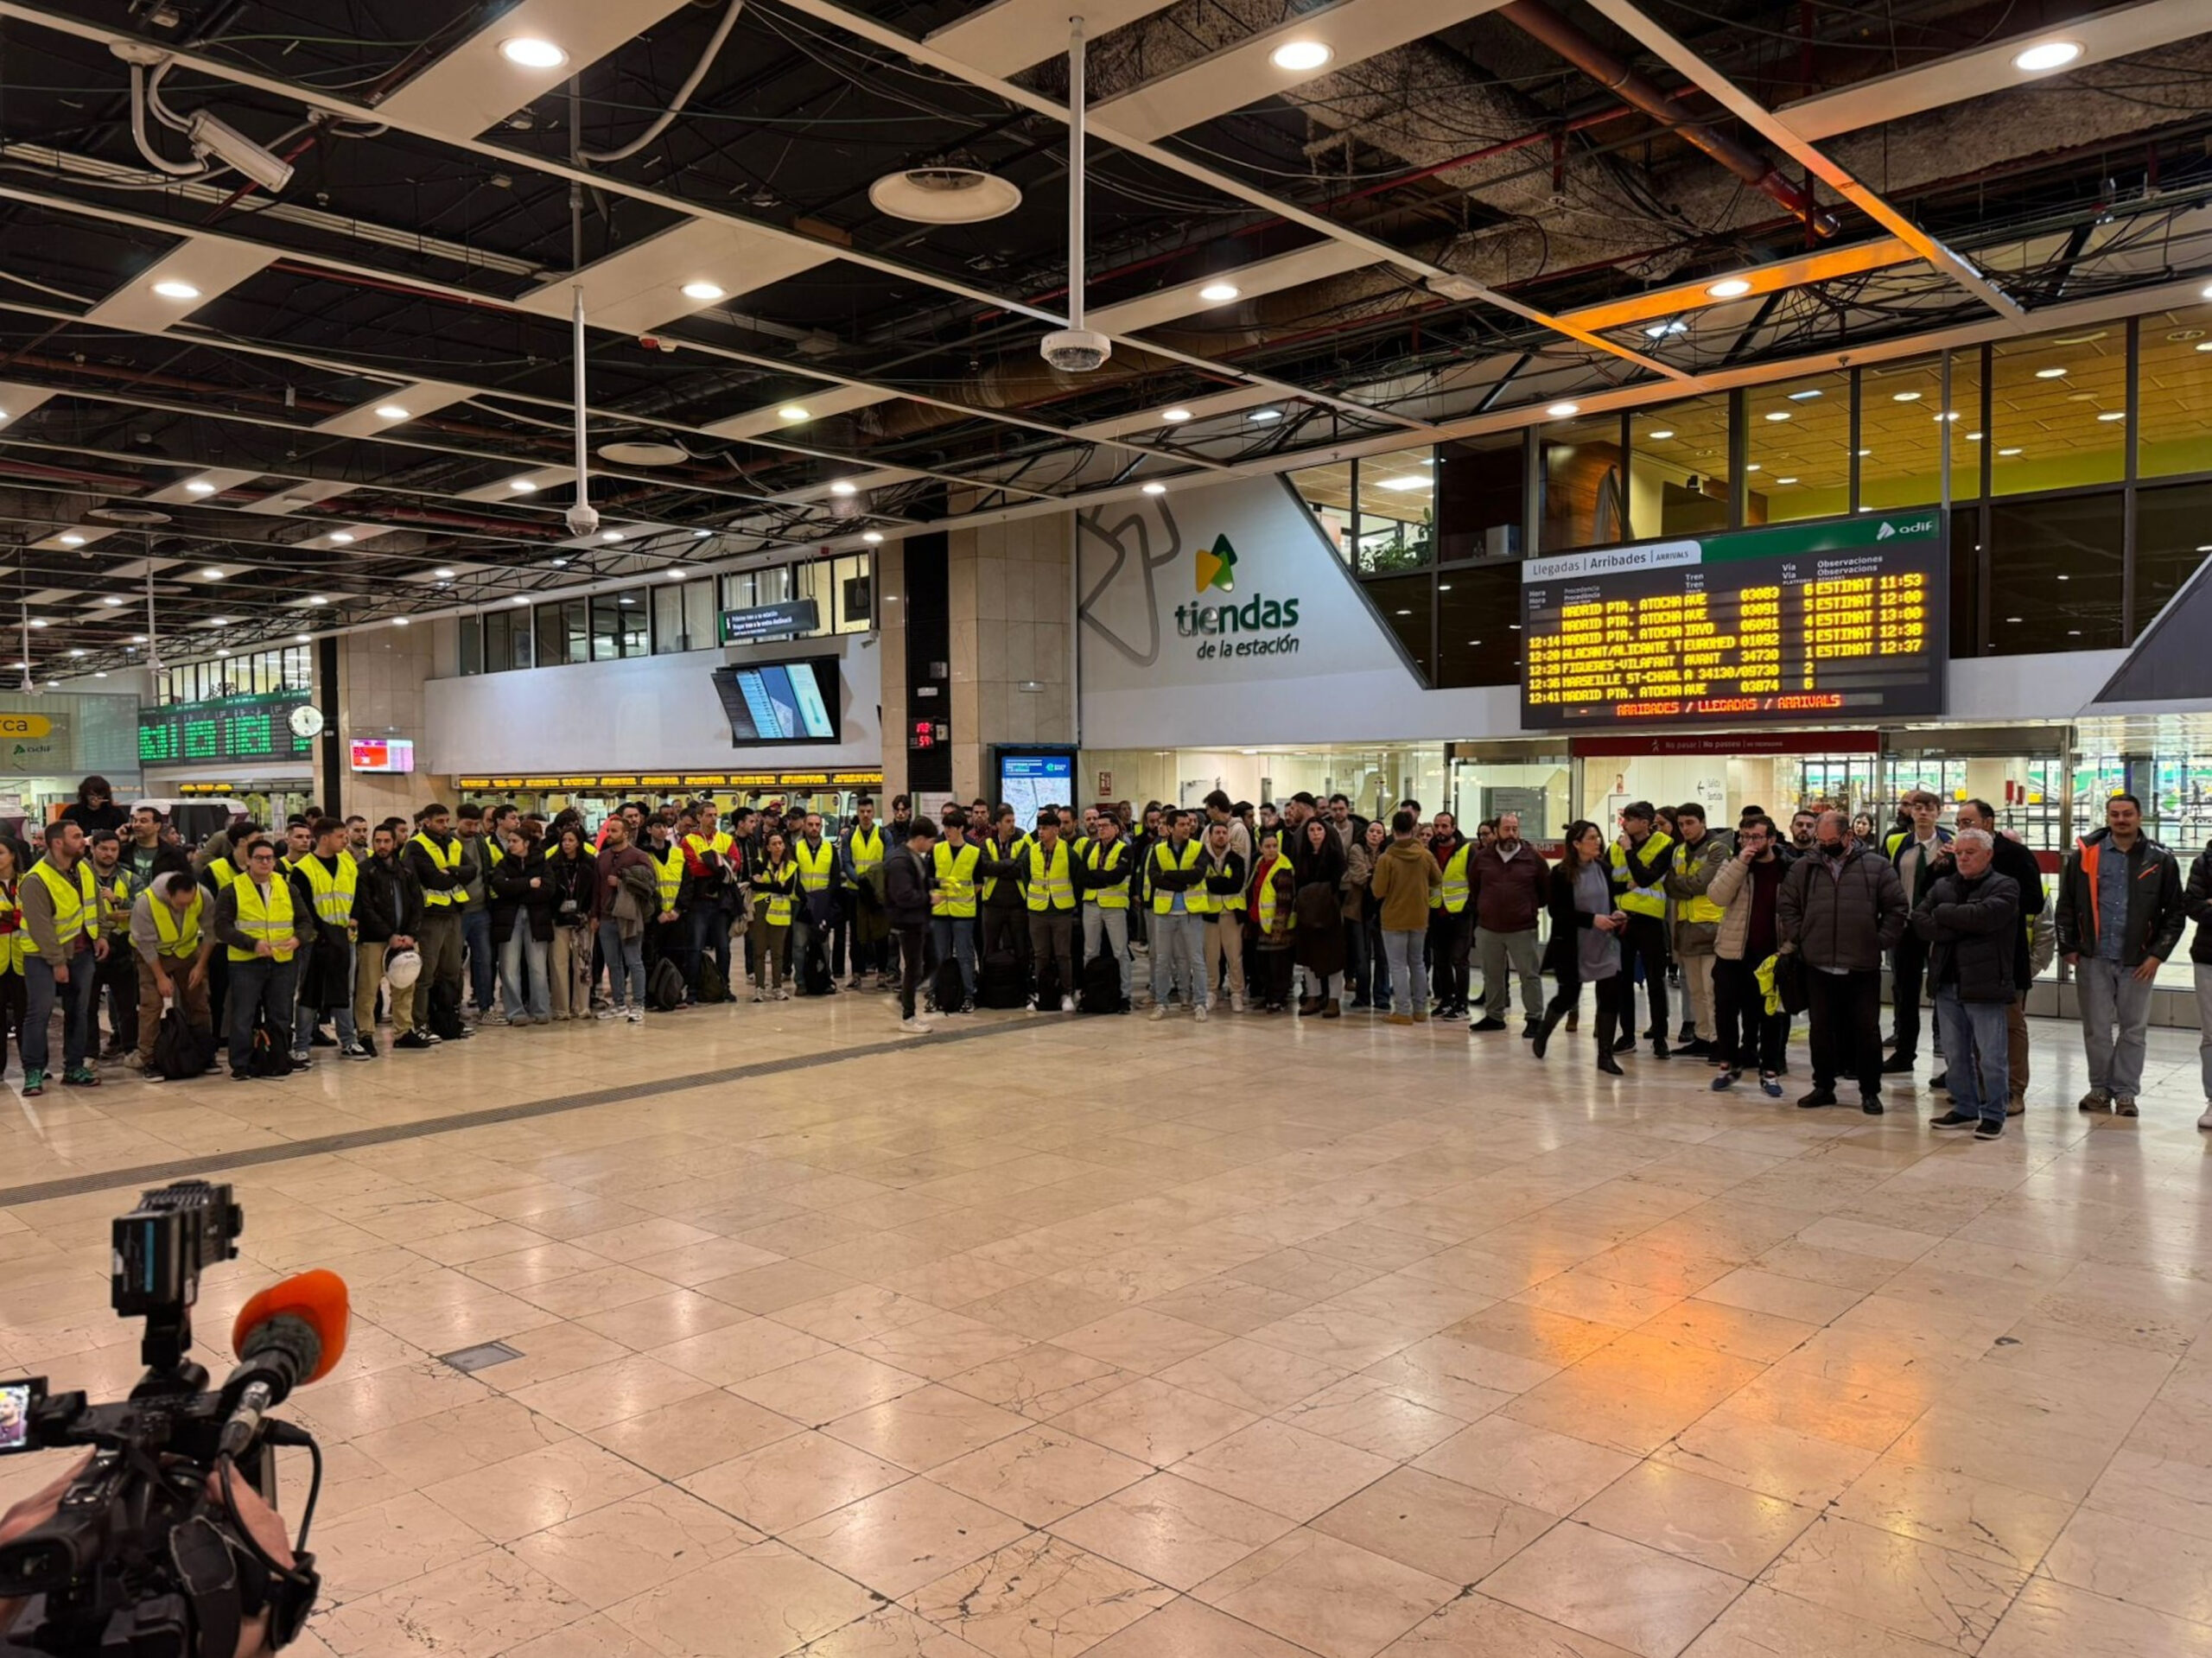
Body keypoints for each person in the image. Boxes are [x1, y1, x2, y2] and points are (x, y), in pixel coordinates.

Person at [2057, 792, 2183, 1117]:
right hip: (2093, 957)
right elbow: (2067, 903)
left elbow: (2175, 914)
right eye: (2115, 814)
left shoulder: (2160, 860)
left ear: (2139, 817)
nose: (2121, 820)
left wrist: (2157, 955)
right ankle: (2099, 1089)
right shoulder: (2086, 855)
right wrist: (2068, 946)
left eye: (2127, 814)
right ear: (2108, 817)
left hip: (2138, 961)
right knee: (2096, 1028)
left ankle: (2126, 1093)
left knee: (2133, 1030)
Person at [1778, 810, 1908, 1115]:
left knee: (1866, 1031)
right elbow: (1787, 905)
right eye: (1821, 842)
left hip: (1861, 965)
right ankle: (1823, 1086)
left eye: (1831, 841)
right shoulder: (1804, 867)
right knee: (1821, 1030)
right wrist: (1802, 936)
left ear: (1848, 835)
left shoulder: (1876, 866)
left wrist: (1878, 940)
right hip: (1817, 963)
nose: (1825, 846)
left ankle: (1870, 1091)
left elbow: (1897, 908)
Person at [1915, 829, 2020, 1140]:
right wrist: (1961, 925)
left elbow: (1985, 917)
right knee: (1954, 1053)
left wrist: (1944, 915)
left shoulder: (2005, 885)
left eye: (1970, 853)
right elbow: (1920, 920)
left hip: (1985, 983)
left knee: (1991, 1055)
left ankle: (1994, 1114)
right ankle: (1965, 1107)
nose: (1962, 858)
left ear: (1988, 855)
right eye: (1958, 853)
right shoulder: (1943, 885)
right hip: (1947, 982)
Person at [1954, 798, 2044, 1114]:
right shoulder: (1956, 855)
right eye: (1958, 824)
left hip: (2006, 953)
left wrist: (1993, 907)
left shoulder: (2015, 855)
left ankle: (2013, 1089)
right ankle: (1982, 1086)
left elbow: (2034, 901)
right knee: (1971, 1025)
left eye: (1968, 822)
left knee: (2010, 1024)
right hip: (1966, 955)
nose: (1962, 829)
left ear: (1988, 823)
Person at [1531, 820, 1629, 1074]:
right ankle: (1543, 1032)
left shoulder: (1604, 869)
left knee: (1610, 996)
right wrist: (1592, 920)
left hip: (1604, 943)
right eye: (1591, 838)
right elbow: (1557, 912)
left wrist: (1615, 913)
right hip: (1573, 946)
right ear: (1576, 844)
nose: (1598, 842)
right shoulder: (1560, 874)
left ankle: (1605, 1056)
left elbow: (1608, 901)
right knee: (1568, 997)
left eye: (1598, 837)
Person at [19, 819, 105, 1096]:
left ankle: (74, 1067)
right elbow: (40, 927)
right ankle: (33, 1070)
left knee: (79, 1011)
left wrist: (101, 933)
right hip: (42, 956)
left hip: (82, 952)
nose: (84, 841)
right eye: (77, 837)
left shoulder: (84, 867)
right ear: (58, 843)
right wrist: (57, 962)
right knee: (39, 1013)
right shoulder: (36, 879)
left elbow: (96, 902)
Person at [1706, 816, 1790, 1098]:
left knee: (1769, 1017)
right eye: (1744, 837)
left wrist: (1788, 949)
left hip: (1770, 955)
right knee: (1725, 1012)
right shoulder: (1733, 864)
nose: (1749, 843)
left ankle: (1769, 1071)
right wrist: (1740, 864)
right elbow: (1717, 896)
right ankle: (1728, 1065)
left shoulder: (1787, 869)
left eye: (1755, 837)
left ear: (1771, 839)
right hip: (1732, 953)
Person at [212, 839, 301, 1080]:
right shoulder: (232, 890)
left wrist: (298, 939)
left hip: (282, 960)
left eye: (269, 858)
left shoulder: (287, 887)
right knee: (244, 1014)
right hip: (245, 962)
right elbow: (221, 927)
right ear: (248, 860)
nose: (265, 863)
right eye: (259, 858)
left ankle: (279, 1056)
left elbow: (305, 921)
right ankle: (241, 1063)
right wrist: (252, 944)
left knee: (281, 1013)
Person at [1882, 790, 1955, 1077]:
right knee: (1905, 990)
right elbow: (1886, 880)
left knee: (1943, 989)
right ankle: (1904, 1050)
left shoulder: (1951, 843)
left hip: (1939, 925)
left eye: (1929, 808)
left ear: (1939, 812)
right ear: (1910, 812)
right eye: (1918, 808)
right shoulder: (1896, 842)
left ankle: (1945, 1047)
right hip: (1906, 925)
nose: (1923, 813)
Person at [289, 817, 365, 1064]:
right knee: (309, 992)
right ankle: (301, 1045)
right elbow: (303, 908)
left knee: (345, 990)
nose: (345, 840)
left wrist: (354, 918)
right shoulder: (303, 869)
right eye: (340, 836)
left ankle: (349, 1040)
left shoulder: (348, 863)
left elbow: (358, 895)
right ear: (324, 839)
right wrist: (324, 930)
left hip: (345, 937)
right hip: (315, 940)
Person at [1467, 810, 1548, 1036]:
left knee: (1529, 975)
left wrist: (1528, 908)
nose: (1511, 834)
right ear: (1496, 831)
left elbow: (1545, 890)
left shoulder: (1532, 857)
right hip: (1489, 928)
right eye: (1507, 829)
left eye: (1515, 829)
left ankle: (1534, 1018)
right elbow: (1475, 887)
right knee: (1492, 975)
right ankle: (1494, 1016)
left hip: (1522, 928)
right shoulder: (1482, 858)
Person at [129, 870, 214, 1077]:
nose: (186, 908)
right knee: (152, 1004)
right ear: (169, 895)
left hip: (187, 951)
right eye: (181, 904)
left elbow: (211, 932)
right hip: (153, 955)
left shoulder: (202, 895)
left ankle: (204, 1053)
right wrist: (160, 977)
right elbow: (145, 944)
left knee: (199, 1000)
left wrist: (200, 966)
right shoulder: (146, 903)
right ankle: (149, 1058)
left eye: (189, 903)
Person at [1661, 803, 1729, 1058]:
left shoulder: (1718, 848)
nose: (1685, 828)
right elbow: (1669, 886)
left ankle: (1718, 1040)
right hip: (1687, 928)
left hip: (1712, 928)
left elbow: (1703, 884)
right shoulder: (1678, 851)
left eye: (1690, 823)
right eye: (1681, 824)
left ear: (1703, 822)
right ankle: (1702, 1036)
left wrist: (1683, 885)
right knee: (1696, 990)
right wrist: (1685, 885)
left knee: (1713, 991)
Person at [404, 804, 476, 1040]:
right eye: (439, 821)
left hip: (454, 912)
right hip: (431, 915)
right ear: (426, 822)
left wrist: (451, 871)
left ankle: (448, 1021)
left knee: (452, 971)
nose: (445, 825)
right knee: (427, 973)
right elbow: (432, 879)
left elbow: (472, 870)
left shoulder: (453, 843)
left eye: (446, 820)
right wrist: (455, 875)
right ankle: (420, 1022)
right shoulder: (416, 845)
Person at [1608, 802, 1675, 1058]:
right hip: (1622, 920)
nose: (1624, 823)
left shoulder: (1663, 844)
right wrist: (1626, 886)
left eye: (1630, 819)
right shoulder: (1614, 847)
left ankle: (1660, 1038)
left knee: (1655, 981)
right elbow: (1608, 883)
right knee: (1622, 981)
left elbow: (1647, 878)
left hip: (1650, 921)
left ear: (1645, 823)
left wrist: (1629, 852)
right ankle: (1627, 1036)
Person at [1369, 810, 1440, 1026]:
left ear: (1392, 830)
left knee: (1398, 965)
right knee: (1418, 963)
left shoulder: (1387, 858)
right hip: (1419, 916)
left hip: (1394, 918)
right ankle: (1420, 1010)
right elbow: (1437, 878)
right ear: (1414, 829)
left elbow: (1378, 890)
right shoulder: (1425, 855)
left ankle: (1403, 1011)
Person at [357, 822, 423, 1051]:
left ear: (395, 843)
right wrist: (388, 934)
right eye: (378, 841)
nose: (382, 846)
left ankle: (404, 1031)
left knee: (405, 987)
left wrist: (411, 934)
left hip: (405, 939)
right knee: (368, 989)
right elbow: (366, 908)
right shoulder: (364, 870)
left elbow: (417, 903)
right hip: (374, 939)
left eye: (386, 841)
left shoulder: (406, 870)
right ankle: (365, 1033)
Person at [592, 811, 658, 1023]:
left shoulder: (639, 856)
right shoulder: (602, 857)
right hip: (606, 917)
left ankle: (638, 1003)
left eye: (614, 831)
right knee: (613, 963)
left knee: (633, 960)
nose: (610, 834)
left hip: (629, 916)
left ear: (626, 833)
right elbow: (596, 889)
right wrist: (594, 915)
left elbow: (650, 885)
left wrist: (623, 882)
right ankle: (618, 1003)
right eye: (608, 830)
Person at [1146, 809, 1210, 1021]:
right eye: (1182, 824)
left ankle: (1199, 1003)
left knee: (1197, 960)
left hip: (1191, 911)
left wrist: (1170, 875)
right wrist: (1180, 883)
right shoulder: (1158, 850)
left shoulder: (1198, 847)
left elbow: (1197, 875)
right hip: (1165, 912)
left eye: (1188, 824)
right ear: (1171, 828)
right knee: (1162, 960)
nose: (1187, 828)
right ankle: (1161, 1002)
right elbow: (1154, 878)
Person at [490, 826, 553, 1026]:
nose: (510, 845)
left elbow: (548, 890)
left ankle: (541, 1009)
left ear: (526, 843)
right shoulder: (503, 863)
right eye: (509, 841)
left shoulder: (542, 863)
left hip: (537, 918)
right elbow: (499, 886)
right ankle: (515, 1011)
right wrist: (527, 884)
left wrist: (515, 888)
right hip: (509, 918)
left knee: (538, 967)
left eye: (514, 841)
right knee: (509, 967)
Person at [86, 830, 137, 1062]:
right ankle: (89, 1054)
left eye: (114, 849)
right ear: (93, 849)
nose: (109, 854)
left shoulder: (129, 877)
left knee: (127, 1005)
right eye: (104, 849)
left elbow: (143, 905)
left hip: (122, 946)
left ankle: (131, 1049)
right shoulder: (80, 875)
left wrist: (119, 900)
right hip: (90, 945)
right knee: (88, 1006)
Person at [1293, 815, 1348, 1017]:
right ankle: (1313, 996)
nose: (1315, 834)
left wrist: (1319, 893)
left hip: (1329, 911)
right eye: (1311, 830)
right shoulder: (1302, 856)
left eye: (1319, 830)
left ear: (1326, 832)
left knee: (1333, 957)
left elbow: (1337, 883)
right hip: (1307, 912)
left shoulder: (1334, 855)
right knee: (1309, 957)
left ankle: (1333, 999)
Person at [1076, 810, 1132, 1005]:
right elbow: (1082, 876)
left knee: (1120, 951)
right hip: (1091, 904)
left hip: (1114, 905)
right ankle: (1089, 992)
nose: (1101, 829)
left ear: (1115, 828)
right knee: (1090, 951)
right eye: (1099, 826)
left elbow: (1117, 876)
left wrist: (1097, 875)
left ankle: (1124, 994)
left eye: (1105, 826)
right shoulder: (1091, 847)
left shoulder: (1124, 849)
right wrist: (1103, 877)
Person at [926, 810, 981, 1012]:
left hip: (963, 912)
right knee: (938, 955)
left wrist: (961, 893)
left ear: (960, 829)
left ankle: (968, 995)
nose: (947, 831)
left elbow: (978, 883)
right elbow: (929, 878)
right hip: (940, 911)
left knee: (965, 955)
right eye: (945, 827)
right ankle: (934, 994)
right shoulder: (937, 850)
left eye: (950, 827)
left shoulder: (973, 852)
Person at [540, 824, 594, 1022]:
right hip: (558, 917)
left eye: (571, 840)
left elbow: (595, 891)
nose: (567, 844)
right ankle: (561, 1008)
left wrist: (593, 914)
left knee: (583, 963)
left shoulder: (590, 863)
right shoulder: (552, 863)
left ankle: (582, 1006)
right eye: (564, 840)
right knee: (558, 963)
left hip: (583, 918)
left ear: (579, 842)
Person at [680, 807, 736, 998]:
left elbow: (735, 865)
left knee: (723, 947)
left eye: (715, 815)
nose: (713, 818)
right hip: (698, 901)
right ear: (699, 817)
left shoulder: (726, 839)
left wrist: (706, 860)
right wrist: (719, 862)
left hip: (721, 901)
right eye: (708, 815)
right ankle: (693, 990)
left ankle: (724, 987)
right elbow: (692, 868)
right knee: (695, 947)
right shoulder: (689, 840)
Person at [1194, 818, 1248, 1014]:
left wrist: (1214, 882)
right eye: (1217, 833)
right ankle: (1211, 991)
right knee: (1211, 956)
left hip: (1232, 914)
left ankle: (1236, 993)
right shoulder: (1202, 858)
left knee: (1235, 957)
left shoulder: (1236, 859)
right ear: (1210, 836)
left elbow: (1235, 885)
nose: (1221, 836)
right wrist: (1220, 881)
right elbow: (1201, 882)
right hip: (1210, 914)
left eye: (1224, 833)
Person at [887, 820, 935, 1033]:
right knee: (914, 967)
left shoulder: (915, 858)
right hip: (906, 921)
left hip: (919, 920)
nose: (932, 846)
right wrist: (929, 898)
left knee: (932, 960)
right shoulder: (899, 861)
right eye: (931, 841)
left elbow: (920, 883)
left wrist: (937, 884)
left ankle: (904, 998)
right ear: (921, 839)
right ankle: (908, 1016)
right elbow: (903, 895)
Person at [791, 811, 844, 997]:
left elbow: (835, 878)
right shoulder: (796, 849)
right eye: (810, 824)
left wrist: (825, 899)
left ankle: (825, 980)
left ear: (821, 827)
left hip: (822, 905)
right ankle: (800, 982)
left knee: (823, 944)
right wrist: (804, 896)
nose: (814, 828)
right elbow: (793, 876)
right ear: (804, 826)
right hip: (802, 903)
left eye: (817, 825)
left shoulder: (830, 849)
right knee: (799, 945)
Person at [1426, 811, 1472, 1020]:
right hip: (1437, 911)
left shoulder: (1466, 851)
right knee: (1440, 960)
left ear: (1453, 828)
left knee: (1459, 960)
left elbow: (1475, 881)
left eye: (1445, 826)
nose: (1440, 830)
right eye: (1437, 826)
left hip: (1460, 913)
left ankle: (1462, 1004)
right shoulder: (1430, 851)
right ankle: (1446, 1000)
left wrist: (1469, 907)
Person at [976, 805, 1033, 969]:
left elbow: (1021, 870)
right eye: (1008, 821)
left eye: (1013, 821)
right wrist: (1010, 863)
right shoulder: (987, 844)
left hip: (1017, 906)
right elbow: (985, 868)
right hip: (992, 906)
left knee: (1021, 949)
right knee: (989, 948)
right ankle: (988, 981)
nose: (1012, 824)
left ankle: (1022, 981)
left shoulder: (1022, 843)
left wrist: (998, 869)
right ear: (997, 825)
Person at [842, 797, 890, 988]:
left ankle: (882, 973)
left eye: (869, 811)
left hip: (877, 892)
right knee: (856, 935)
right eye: (862, 811)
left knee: (881, 934)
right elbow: (847, 862)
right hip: (856, 891)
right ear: (857, 813)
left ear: (874, 812)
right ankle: (856, 973)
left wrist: (871, 882)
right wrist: (860, 880)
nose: (865, 815)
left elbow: (888, 861)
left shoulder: (884, 834)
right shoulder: (849, 836)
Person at [1249, 829, 1296, 1013]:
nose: (1272, 850)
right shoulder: (1259, 864)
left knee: (1279, 966)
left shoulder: (1282, 868)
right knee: (1264, 965)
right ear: (1260, 848)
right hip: (1260, 923)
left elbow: (1285, 902)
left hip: (1278, 927)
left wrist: (1278, 928)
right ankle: (1269, 997)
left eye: (1275, 846)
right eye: (1267, 846)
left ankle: (1278, 999)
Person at [748, 830, 798, 999]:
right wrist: (777, 885)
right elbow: (755, 886)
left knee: (778, 952)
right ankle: (759, 987)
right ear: (768, 847)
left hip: (781, 911)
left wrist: (767, 884)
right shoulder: (760, 863)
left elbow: (788, 889)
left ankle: (777, 987)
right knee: (759, 950)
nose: (778, 846)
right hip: (761, 908)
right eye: (774, 844)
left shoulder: (791, 866)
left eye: (780, 843)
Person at [0, 842, 24, 1077]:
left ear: (13, 856)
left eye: (0, 853)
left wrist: (7, 917)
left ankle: (33, 1065)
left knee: (27, 1016)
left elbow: (34, 916)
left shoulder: (28, 882)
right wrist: (16, 918)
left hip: (25, 959)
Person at [59, 775, 126, 836]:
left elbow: (124, 834)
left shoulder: (116, 813)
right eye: (92, 795)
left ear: (105, 795)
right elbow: (61, 834)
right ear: (85, 794)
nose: (96, 798)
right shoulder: (72, 812)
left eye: (100, 795)